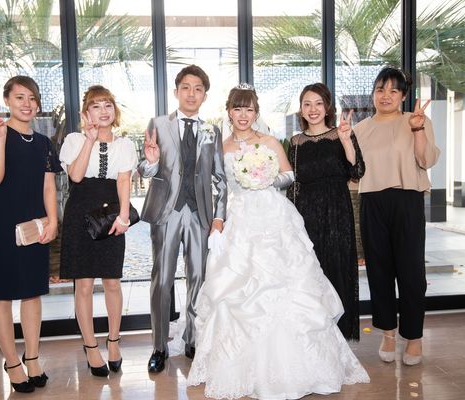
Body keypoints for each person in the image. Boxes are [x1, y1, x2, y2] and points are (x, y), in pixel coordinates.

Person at [187, 84, 370, 399]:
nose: (243, 115)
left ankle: (302, 365)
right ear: (229, 112)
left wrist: (265, 177)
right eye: (237, 109)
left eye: (249, 109)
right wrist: (218, 220)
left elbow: (288, 175)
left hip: (273, 216)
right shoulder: (221, 147)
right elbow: (220, 188)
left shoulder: (271, 141)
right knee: (236, 288)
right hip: (239, 220)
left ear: (256, 113)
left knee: (289, 283)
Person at [0, 76, 61, 393]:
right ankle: (12, 363)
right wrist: (0, 137)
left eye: (32, 98)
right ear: (7, 100)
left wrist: (52, 221)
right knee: (2, 293)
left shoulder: (44, 143)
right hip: (0, 225)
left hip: (33, 225)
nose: (27, 104)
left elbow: (49, 186)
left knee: (33, 291)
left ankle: (32, 358)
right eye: (20, 97)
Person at [137, 65, 228, 373]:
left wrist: (219, 217)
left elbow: (220, 178)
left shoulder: (212, 131)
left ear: (205, 95)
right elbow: (145, 168)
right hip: (167, 212)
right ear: (176, 92)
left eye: (198, 88)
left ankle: (192, 339)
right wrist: (150, 163)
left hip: (200, 214)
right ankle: (159, 346)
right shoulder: (158, 124)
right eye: (186, 87)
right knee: (162, 280)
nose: (191, 93)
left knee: (198, 278)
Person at [353, 66, 440, 366]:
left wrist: (417, 130)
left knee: (411, 272)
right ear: (373, 94)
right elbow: (353, 174)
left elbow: (425, 160)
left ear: (403, 95)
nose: (385, 96)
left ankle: (413, 337)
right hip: (372, 202)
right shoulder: (360, 129)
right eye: (380, 89)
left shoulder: (416, 120)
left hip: (407, 200)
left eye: (393, 90)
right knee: (379, 271)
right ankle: (388, 334)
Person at [58, 85, 138, 376]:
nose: (103, 111)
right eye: (96, 106)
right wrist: (89, 140)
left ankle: (113, 341)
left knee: (113, 282)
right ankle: (90, 347)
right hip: (80, 212)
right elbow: (76, 176)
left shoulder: (125, 145)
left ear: (114, 111)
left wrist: (124, 217)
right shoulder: (74, 140)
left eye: (108, 105)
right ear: (86, 113)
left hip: (111, 215)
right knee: (84, 285)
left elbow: (124, 181)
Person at [287, 83, 365, 341]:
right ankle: (316, 337)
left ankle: (340, 336)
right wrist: (291, 222)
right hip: (306, 215)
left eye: (318, 103)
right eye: (307, 104)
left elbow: (357, 171)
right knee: (312, 273)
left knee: (338, 269)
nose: (313, 109)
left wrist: (346, 140)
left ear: (327, 107)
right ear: (301, 109)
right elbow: (293, 184)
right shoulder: (296, 142)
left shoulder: (341, 133)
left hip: (336, 212)